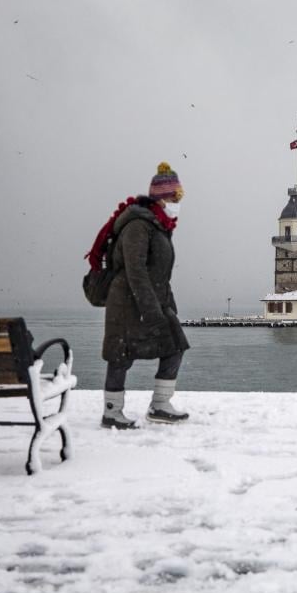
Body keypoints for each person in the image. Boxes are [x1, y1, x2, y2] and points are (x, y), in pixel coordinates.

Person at [100, 162, 191, 428]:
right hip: (127, 303)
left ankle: (160, 405)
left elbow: (160, 273)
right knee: (120, 355)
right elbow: (135, 270)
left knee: (175, 345)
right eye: (175, 198)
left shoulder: (160, 226)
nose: (178, 203)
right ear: (163, 198)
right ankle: (111, 412)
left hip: (152, 300)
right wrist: (151, 310)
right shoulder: (138, 225)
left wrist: (167, 305)